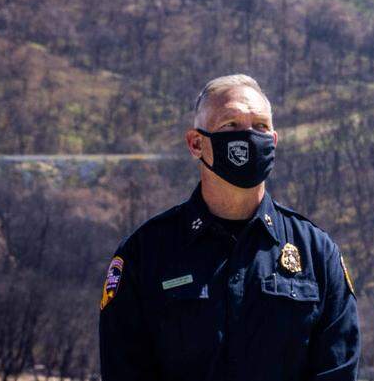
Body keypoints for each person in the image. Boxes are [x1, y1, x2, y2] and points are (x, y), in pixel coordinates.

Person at [99, 74, 359, 380]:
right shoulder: (144, 254)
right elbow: (124, 369)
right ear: (196, 143)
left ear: (273, 142)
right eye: (230, 125)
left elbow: (338, 369)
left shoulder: (317, 253)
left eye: (260, 126)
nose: (248, 136)